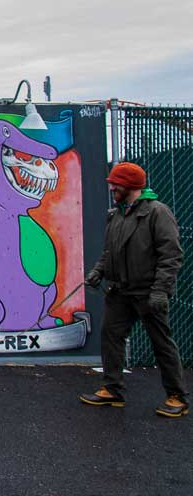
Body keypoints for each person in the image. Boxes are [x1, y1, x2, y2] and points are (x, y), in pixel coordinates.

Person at [81, 162, 188, 417]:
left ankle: (176, 396)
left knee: (161, 343)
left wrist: (161, 290)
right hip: (120, 292)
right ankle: (112, 389)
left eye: (115, 184)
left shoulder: (157, 213)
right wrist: (99, 271)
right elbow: (110, 252)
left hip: (148, 292)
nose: (112, 187)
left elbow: (171, 255)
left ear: (129, 185)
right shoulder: (117, 214)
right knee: (110, 337)